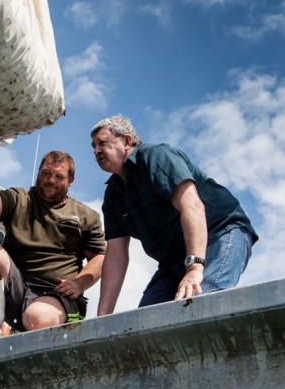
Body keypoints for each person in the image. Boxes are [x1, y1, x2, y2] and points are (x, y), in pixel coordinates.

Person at [90, 115, 257, 314]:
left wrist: (195, 268)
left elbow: (192, 206)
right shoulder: (113, 196)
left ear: (127, 141)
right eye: (93, 146)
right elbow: (115, 255)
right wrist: (102, 317)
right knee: (143, 323)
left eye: (102, 143)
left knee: (197, 308)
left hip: (219, 235)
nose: (96, 150)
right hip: (174, 261)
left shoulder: (156, 156)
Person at [0, 149, 106, 343]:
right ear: (38, 173)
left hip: (57, 294)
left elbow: (100, 257)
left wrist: (79, 283)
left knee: (36, 318)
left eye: (58, 176)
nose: (50, 180)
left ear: (71, 180)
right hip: (16, 287)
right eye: (46, 173)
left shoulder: (86, 215)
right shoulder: (19, 199)